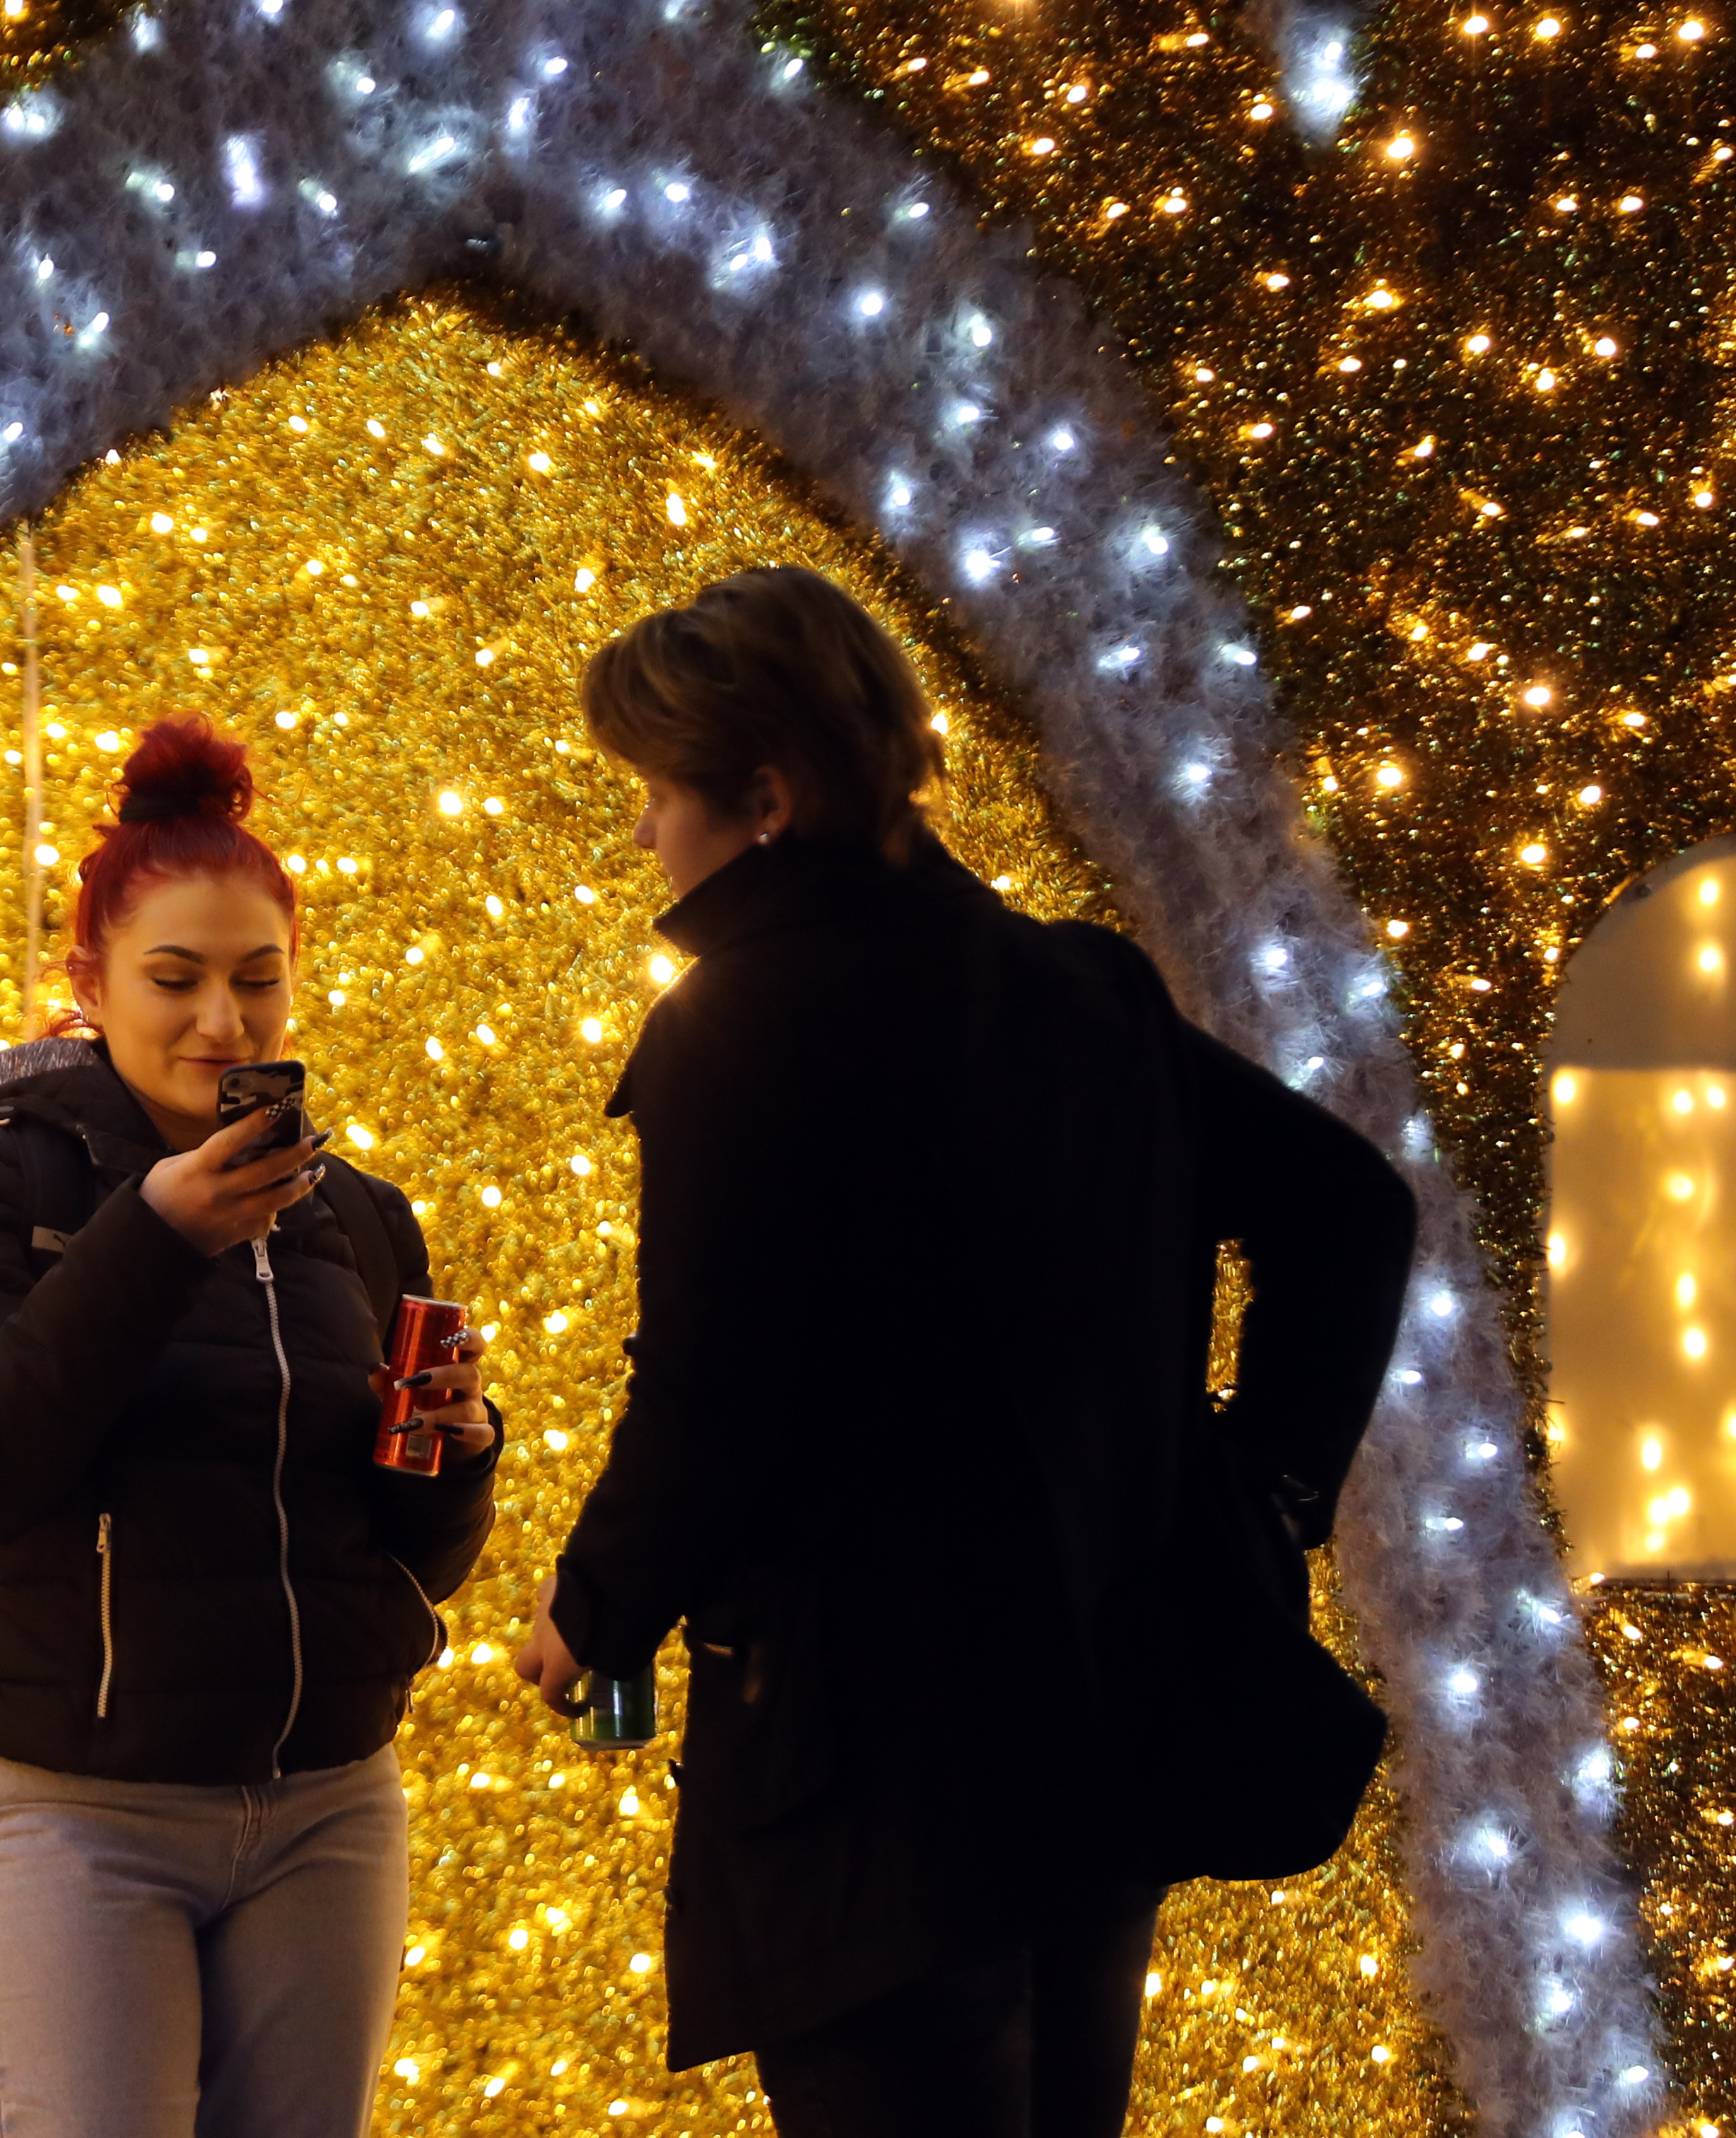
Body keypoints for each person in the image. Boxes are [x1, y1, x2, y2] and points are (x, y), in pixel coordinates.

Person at [510, 566, 1419, 2136]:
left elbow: (712, 1395)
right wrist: (1257, 1490)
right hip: (1095, 1715)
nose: (646, 835)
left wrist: (589, 1607)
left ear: (767, 797)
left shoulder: (739, 1022)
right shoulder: (1077, 995)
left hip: (864, 1761)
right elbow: (1347, 1212)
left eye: (658, 793)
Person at [0, 718, 505, 2138]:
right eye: (176, 980)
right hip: (70, 1809)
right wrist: (149, 1239)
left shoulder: (351, 1215)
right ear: (87, 982)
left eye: (256, 980)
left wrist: (456, 1449)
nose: (223, 1023)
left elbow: (412, 1554)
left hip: (327, 1802)